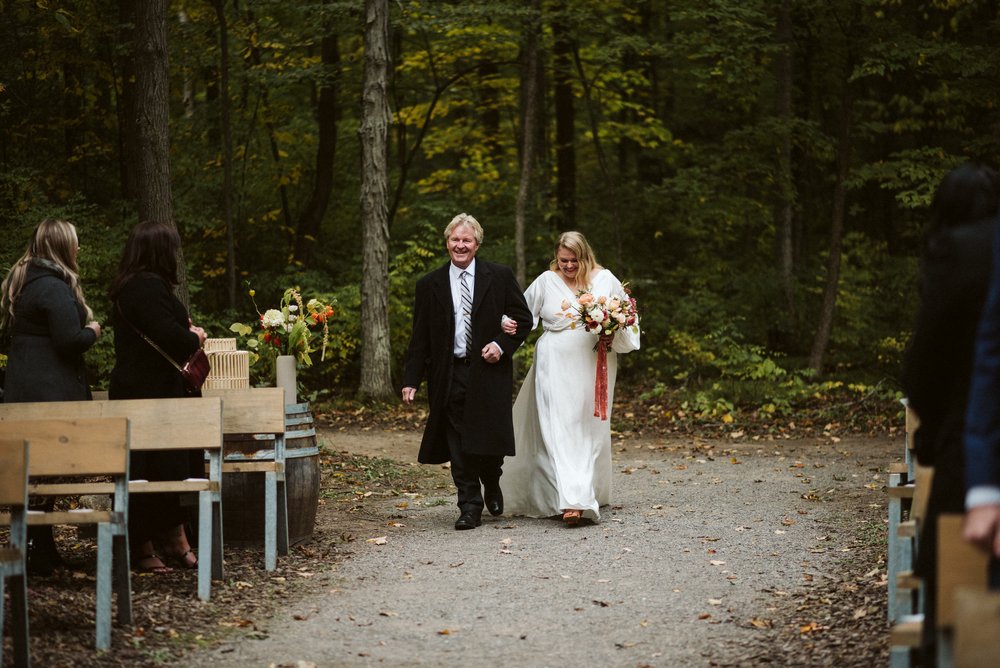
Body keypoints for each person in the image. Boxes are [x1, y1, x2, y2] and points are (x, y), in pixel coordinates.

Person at [901, 163, 1000, 661]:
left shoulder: (956, 249)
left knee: (956, 598)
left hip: (972, 439)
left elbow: (929, 354)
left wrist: (930, 424)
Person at [401, 213, 532, 530]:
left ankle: (492, 476)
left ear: (477, 244)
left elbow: (522, 319)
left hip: (489, 372)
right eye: (455, 239)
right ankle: (469, 504)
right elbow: (420, 338)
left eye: (466, 240)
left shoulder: (498, 276)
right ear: (447, 242)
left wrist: (501, 344)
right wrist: (411, 380)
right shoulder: (429, 284)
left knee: (487, 440)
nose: (460, 245)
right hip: (449, 373)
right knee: (458, 442)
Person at [500, 231, 640, 526]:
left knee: (589, 426)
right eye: (563, 260)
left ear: (585, 256)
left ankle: (589, 490)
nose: (567, 266)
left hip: (594, 363)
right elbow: (521, 315)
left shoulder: (605, 279)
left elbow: (629, 315)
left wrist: (613, 328)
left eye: (573, 260)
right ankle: (572, 500)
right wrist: (504, 331)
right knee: (559, 426)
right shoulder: (545, 281)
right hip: (554, 364)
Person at [1, 219, 102, 574]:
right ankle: (37, 550)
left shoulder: (24, 280)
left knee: (35, 477)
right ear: (61, 247)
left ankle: (36, 546)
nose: (79, 249)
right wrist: (92, 330)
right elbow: (68, 340)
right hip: (48, 394)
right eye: (74, 243)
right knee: (46, 475)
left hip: (25, 389)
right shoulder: (53, 287)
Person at [109, 221, 207, 572]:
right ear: (158, 251)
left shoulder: (137, 286)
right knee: (152, 469)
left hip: (150, 392)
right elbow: (173, 338)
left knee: (160, 467)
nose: (176, 255)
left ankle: (163, 540)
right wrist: (195, 335)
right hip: (148, 396)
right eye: (172, 248)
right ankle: (151, 544)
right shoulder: (145, 287)